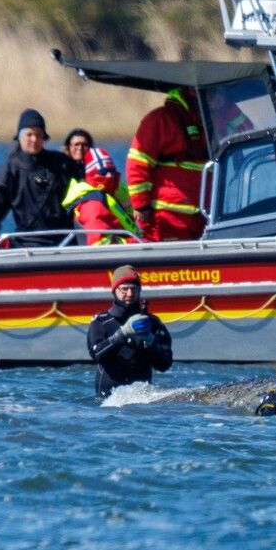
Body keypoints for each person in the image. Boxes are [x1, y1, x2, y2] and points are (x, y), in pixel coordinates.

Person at [0, 108, 80, 246]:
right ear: (20, 136)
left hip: (66, 242)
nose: (34, 139)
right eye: (30, 134)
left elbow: (86, 190)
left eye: (39, 135)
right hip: (28, 245)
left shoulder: (62, 163)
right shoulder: (8, 172)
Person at [125, 87, 209, 242]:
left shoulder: (209, 118)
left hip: (203, 216)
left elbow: (245, 132)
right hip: (168, 217)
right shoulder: (159, 119)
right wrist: (141, 206)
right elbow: (137, 163)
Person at [87, 265, 173, 397]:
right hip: (107, 401)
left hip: (142, 399)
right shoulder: (101, 322)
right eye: (124, 289)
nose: (130, 294)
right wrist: (121, 334)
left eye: (134, 289)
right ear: (115, 290)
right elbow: (96, 354)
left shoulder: (152, 322)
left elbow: (164, 365)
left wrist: (151, 343)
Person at [62, 147, 141, 245]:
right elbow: (100, 243)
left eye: (111, 170)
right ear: (91, 175)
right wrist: (134, 243)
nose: (109, 175)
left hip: (128, 254)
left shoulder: (114, 192)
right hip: (113, 257)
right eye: (102, 172)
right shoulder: (92, 204)